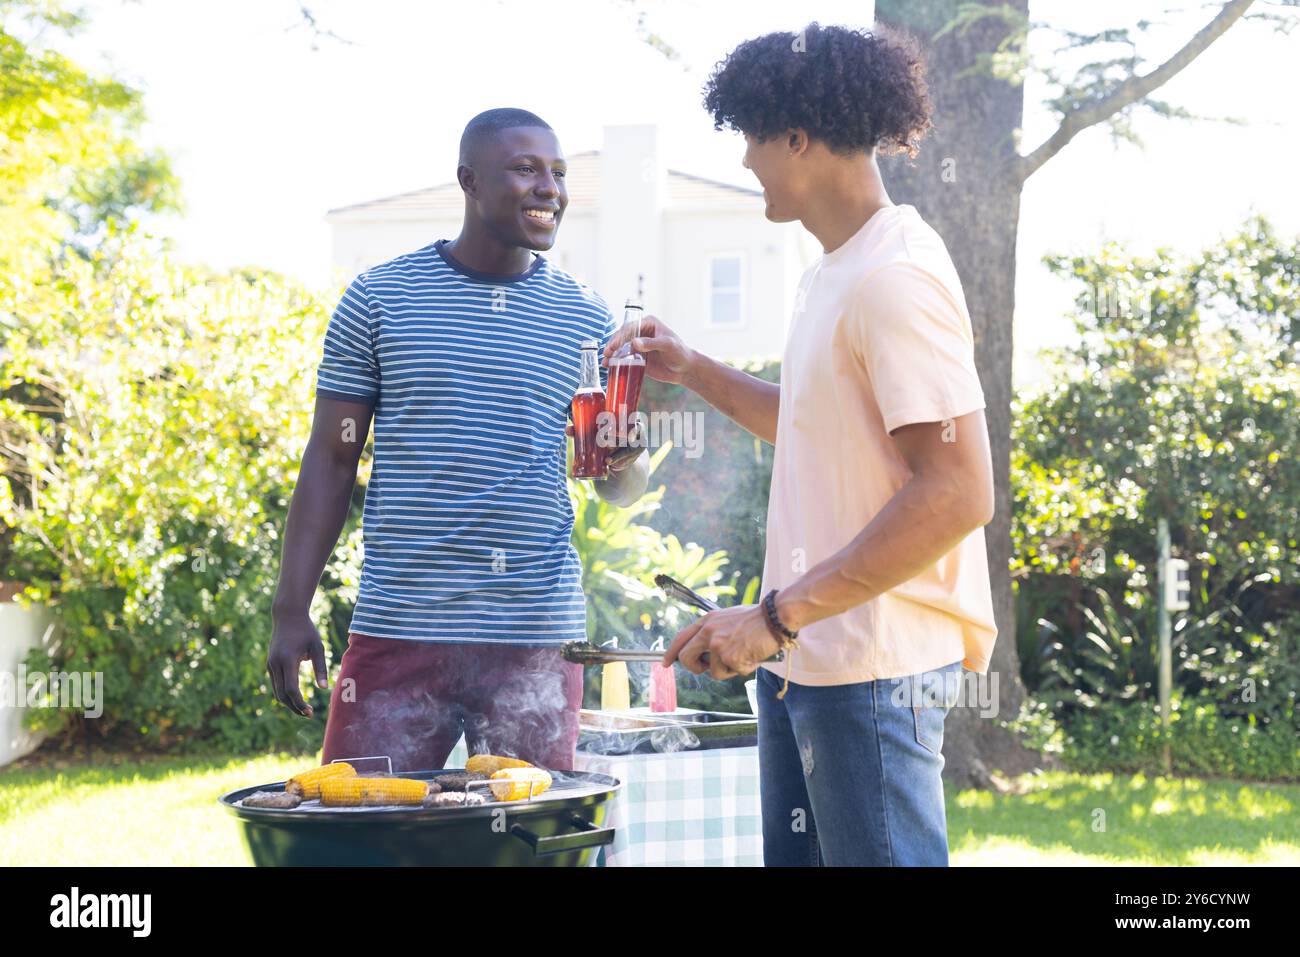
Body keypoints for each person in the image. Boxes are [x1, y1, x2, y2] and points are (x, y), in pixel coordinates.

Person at [620, 23, 997, 865]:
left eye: (752, 137)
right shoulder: (834, 270)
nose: (746, 161)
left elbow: (959, 490)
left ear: (796, 137)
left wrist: (775, 614)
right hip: (809, 661)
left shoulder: (894, 277)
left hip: (869, 672)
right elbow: (813, 423)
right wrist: (691, 368)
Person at [267, 108, 648, 773]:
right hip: (401, 630)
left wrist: (628, 455)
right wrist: (289, 607)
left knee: (531, 844)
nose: (549, 189)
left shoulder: (587, 318)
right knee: (360, 838)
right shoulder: (381, 298)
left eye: (558, 174)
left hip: (535, 640)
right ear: (469, 181)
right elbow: (332, 455)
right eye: (525, 169)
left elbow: (617, 486)